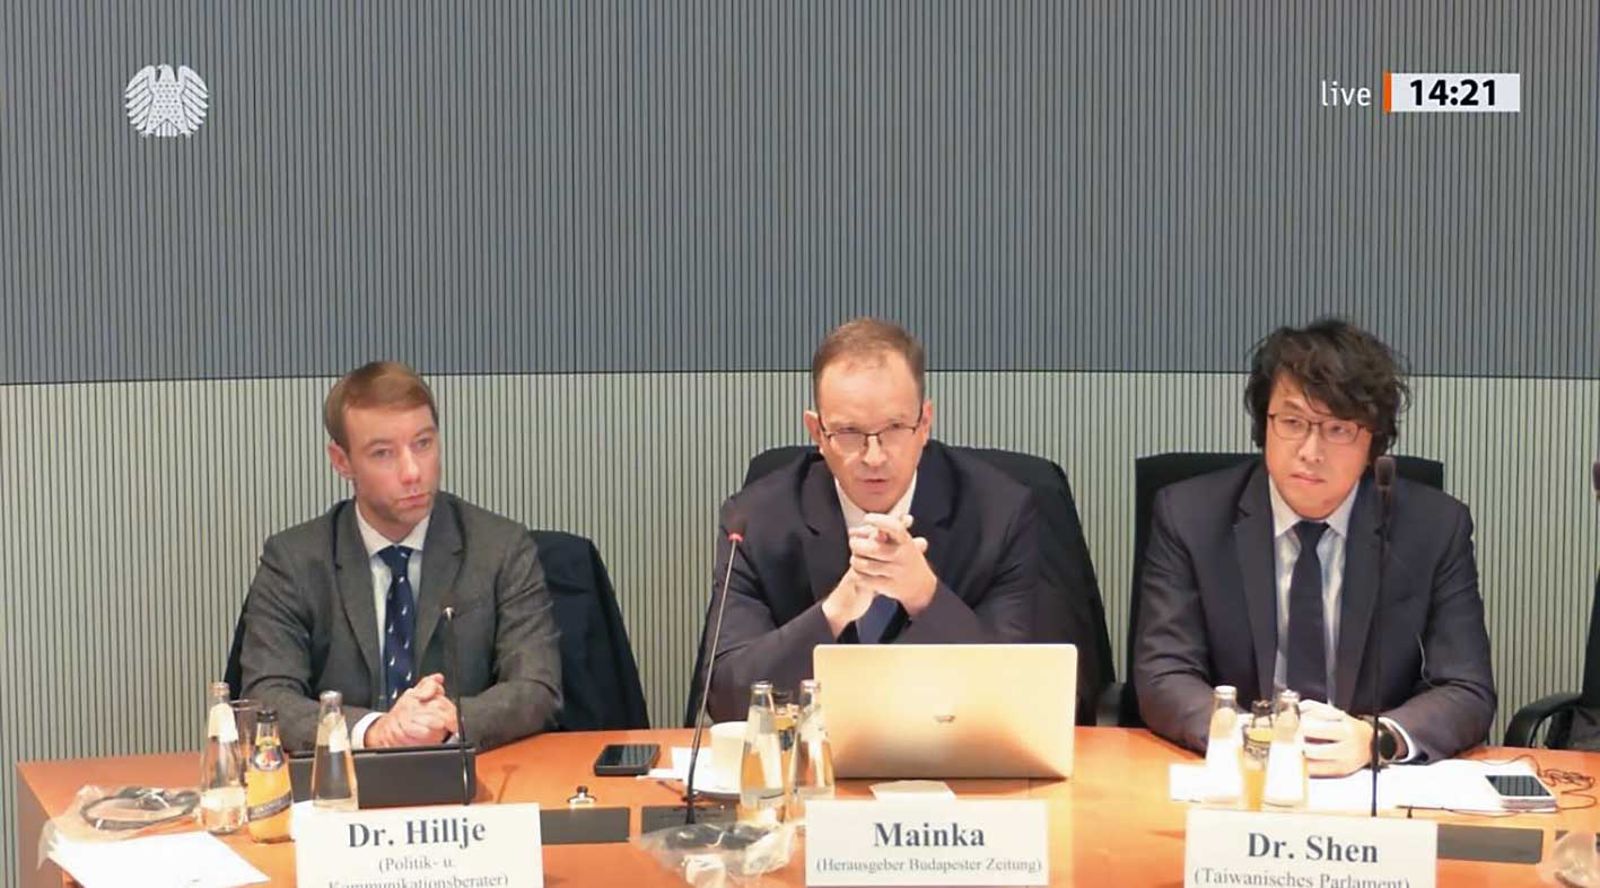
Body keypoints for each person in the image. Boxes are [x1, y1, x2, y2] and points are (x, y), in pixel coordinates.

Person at [1135, 319, 1495, 774]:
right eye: (1292, 422)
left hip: (1367, 779)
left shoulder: (1434, 528)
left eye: (1338, 429)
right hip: (1241, 774)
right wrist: (1248, 736)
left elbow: (1466, 688)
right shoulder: (1189, 517)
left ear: (1373, 443)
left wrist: (1376, 739)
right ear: (1263, 425)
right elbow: (1163, 673)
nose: (1310, 450)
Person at [703, 318, 1046, 721]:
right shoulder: (754, 521)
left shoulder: (999, 515)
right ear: (817, 431)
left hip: (948, 750)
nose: (874, 457)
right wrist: (836, 609)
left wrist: (926, 596)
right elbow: (726, 698)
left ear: (925, 423)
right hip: (814, 754)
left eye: (895, 428)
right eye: (849, 432)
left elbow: (1016, 696)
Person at [239, 361, 562, 752]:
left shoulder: (500, 547)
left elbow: (536, 687)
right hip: (346, 780)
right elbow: (266, 696)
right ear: (341, 461)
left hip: (466, 775)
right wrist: (374, 730)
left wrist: (451, 719)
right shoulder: (294, 560)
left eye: (423, 444)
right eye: (383, 453)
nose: (412, 472)